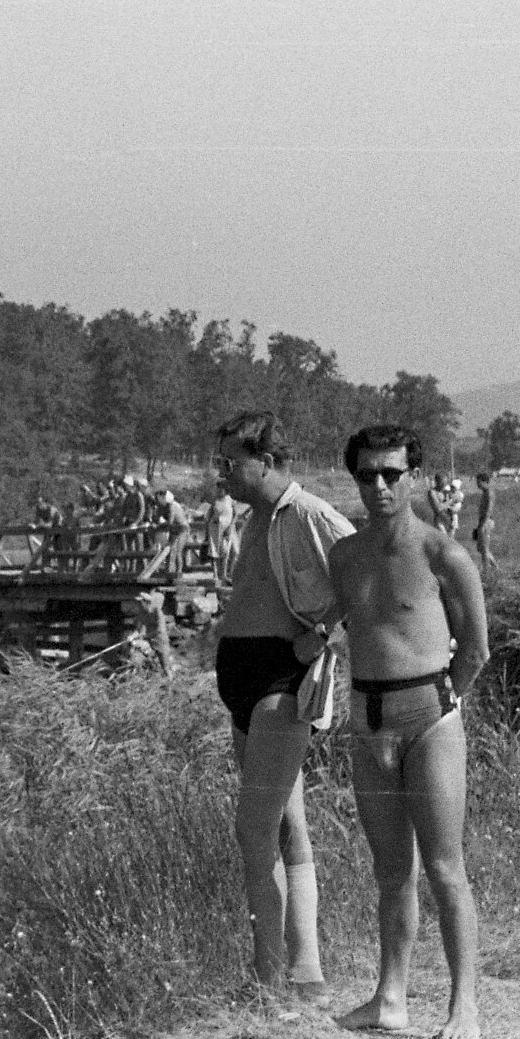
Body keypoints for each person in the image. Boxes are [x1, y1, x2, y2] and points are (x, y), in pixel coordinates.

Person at [330, 425, 490, 1039]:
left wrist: (436, 707)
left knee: (446, 867)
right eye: (367, 474)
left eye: (392, 474)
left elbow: (474, 650)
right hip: (367, 721)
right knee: (391, 870)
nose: (379, 486)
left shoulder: (444, 555)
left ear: (416, 477)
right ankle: (389, 997)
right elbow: (336, 619)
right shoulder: (345, 555)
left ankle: (465, 1006)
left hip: (430, 719)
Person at [212, 411, 353, 1006]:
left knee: (254, 829)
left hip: (280, 680)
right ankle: (306, 972)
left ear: (265, 461)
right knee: (287, 825)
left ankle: (268, 978)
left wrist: (322, 634)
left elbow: (365, 573)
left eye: (229, 463)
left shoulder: (311, 514)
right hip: (244, 681)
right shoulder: (257, 518)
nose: (220, 474)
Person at [207, 488, 239, 584]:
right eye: (218, 489)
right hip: (216, 527)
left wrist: (231, 525)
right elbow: (209, 514)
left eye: (221, 489)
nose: (219, 491)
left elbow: (236, 514)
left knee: (229, 551)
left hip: (228, 527)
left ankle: (227, 574)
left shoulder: (231, 500)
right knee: (215, 551)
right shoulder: (215, 500)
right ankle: (216, 574)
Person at [471, 471, 498, 577]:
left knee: (484, 549)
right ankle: (495, 567)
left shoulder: (489, 493)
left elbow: (489, 510)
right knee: (481, 548)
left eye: (479, 482)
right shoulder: (485, 492)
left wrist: (482, 525)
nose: (477, 485)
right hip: (483, 521)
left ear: (484, 482)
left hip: (486, 522)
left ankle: (486, 572)